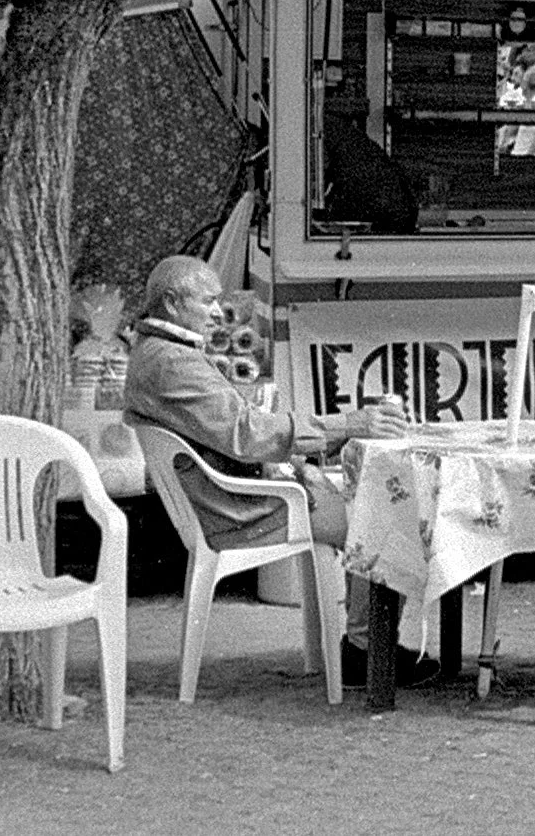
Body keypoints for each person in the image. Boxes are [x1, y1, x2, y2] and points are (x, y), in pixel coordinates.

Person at [122, 255, 435, 686]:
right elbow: (246, 435)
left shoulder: (159, 353)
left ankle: (363, 644)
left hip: (228, 501)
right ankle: (367, 651)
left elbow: (234, 428)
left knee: (364, 499)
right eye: (209, 301)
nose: (218, 311)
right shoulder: (171, 362)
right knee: (385, 516)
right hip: (239, 512)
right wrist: (347, 425)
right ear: (173, 303)